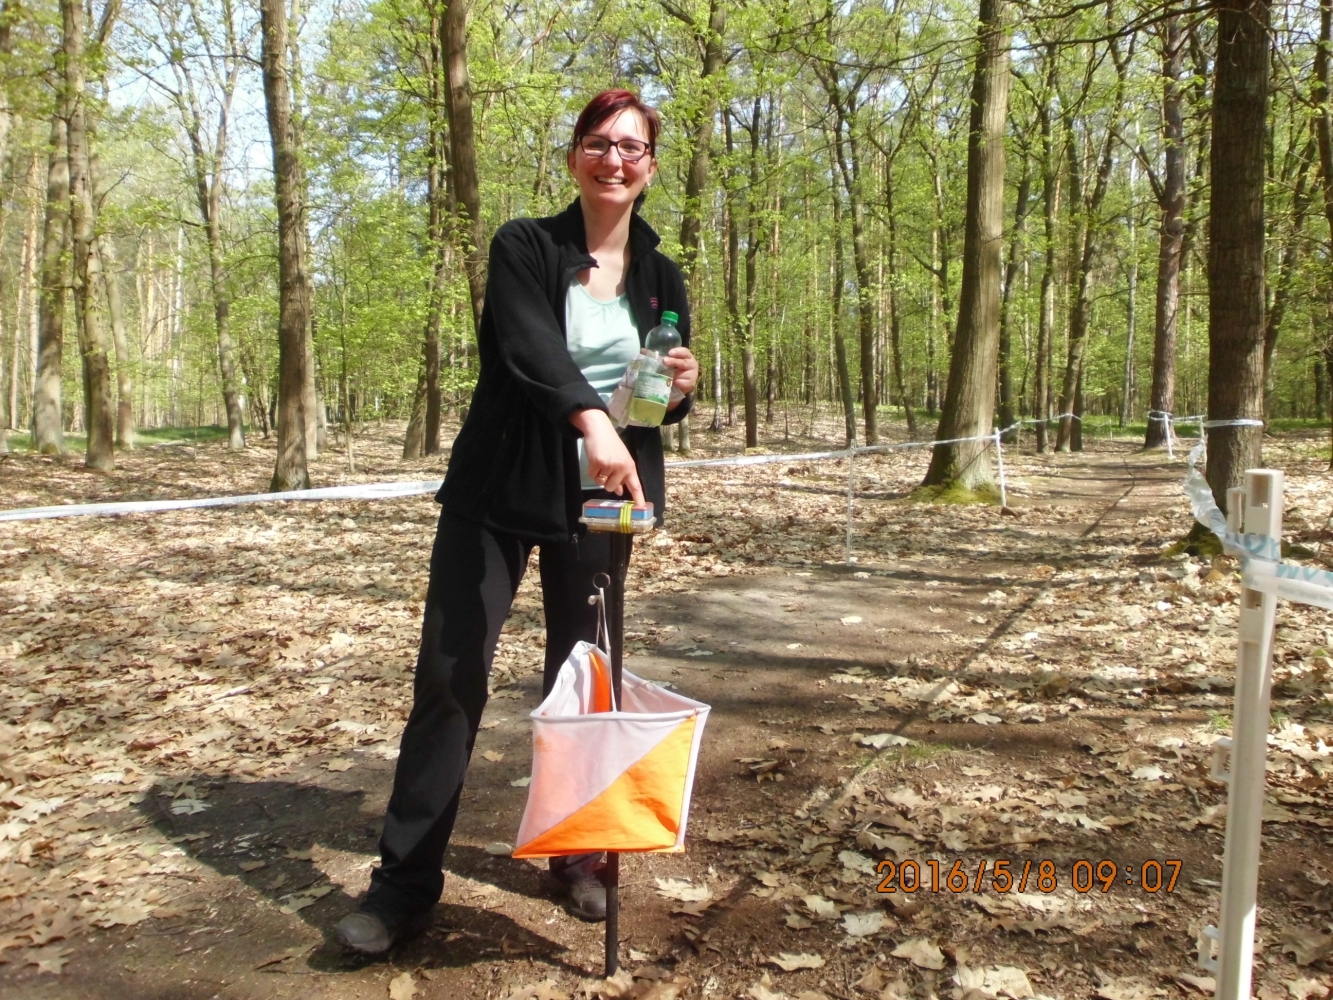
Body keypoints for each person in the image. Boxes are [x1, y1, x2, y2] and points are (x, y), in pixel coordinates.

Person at [333, 89, 699, 955]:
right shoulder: (524, 245)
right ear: (573, 156)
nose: (613, 160)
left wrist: (679, 391)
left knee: (585, 681)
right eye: (598, 143)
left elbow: (654, 398)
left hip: (601, 501)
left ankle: (576, 854)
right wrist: (592, 422)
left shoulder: (661, 274)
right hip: (499, 488)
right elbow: (528, 347)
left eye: (631, 147)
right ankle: (403, 886)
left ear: (650, 167)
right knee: (450, 677)